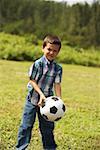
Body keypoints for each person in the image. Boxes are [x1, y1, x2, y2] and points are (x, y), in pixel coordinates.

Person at [16, 35, 63, 150]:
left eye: (55, 51)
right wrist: (41, 95)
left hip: (47, 102)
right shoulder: (37, 64)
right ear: (43, 48)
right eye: (49, 49)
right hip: (32, 99)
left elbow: (57, 84)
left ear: (58, 52)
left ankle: (50, 148)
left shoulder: (58, 68)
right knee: (26, 126)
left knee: (47, 128)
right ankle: (20, 148)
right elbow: (32, 81)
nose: (51, 52)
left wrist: (59, 100)